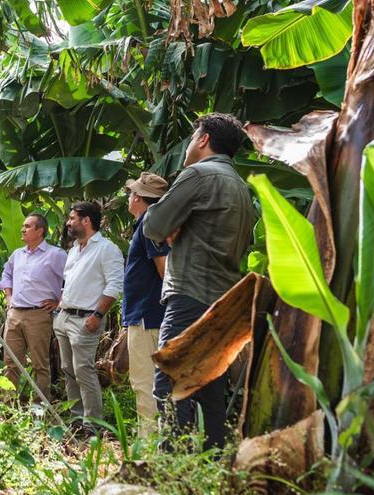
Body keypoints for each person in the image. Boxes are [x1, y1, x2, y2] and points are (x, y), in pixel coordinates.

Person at [143, 113, 253, 450]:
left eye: (193, 136)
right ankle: (211, 468)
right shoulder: (241, 187)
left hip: (189, 296)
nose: (190, 143)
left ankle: (173, 470)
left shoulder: (198, 174)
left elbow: (154, 225)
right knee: (209, 390)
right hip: (224, 305)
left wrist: (171, 227)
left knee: (171, 382)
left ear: (203, 139)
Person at [55, 201, 124, 429]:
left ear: (86, 221)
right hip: (65, 316)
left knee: (84, 371)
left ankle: (93, 424)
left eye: (72, 218)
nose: (68, 222)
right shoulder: (74, 249)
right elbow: (70, 282)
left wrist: (98, 314)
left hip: (86, 319)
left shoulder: (107, 248)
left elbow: (115, 285)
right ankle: (76, 419)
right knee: (68, 370)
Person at [0, 213, 67, 402]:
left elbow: (73, 278)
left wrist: (59, 302)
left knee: (39, 365)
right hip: (15, 314)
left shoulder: (55, 255)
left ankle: (40, 407)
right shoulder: (17, 254)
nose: (23, 229)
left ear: (40, 231)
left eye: (27, 226)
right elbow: (6, 275)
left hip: (39, 315)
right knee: (10, 363)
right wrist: (9, 297)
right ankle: (7, 405)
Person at [122, 172, 170, 438]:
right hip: (145, 313)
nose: (129, 197)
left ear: (138, 197)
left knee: (144, 381)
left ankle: (150, 445)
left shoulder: (150, 222)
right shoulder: (149, 223)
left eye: (131, 193)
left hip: (148, 315)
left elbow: (164, 269)